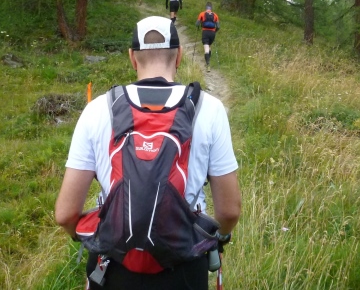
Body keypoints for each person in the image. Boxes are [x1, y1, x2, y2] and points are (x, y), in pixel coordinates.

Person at [55, 16, 241, 290]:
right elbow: (229, 210)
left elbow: (65, 214)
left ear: (132, 57)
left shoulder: (98, 109)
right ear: (178, 56)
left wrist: (95, 238)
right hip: (184, 266)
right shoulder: (209, 109)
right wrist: (217, 239)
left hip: (112, 264)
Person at [195, 2, 220, 72]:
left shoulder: (202, 14)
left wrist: (199, 26)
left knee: (206, 48)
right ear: (211, 8)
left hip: (205, 32)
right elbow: (218, 26)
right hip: (212, 33)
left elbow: (197, 24)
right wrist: (215, 31)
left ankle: (208, 64)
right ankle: (208, 61)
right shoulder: (215, 15)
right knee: (209, 47)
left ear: (206, 8)